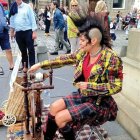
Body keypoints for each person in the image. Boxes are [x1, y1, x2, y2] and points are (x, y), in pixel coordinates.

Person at [28, 15, 123, 140]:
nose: (80, 44)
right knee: (54, 107)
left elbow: (116, 86)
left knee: (60, 118)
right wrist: (40, 64)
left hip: (100, 103)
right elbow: (65, 59)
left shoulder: (111, 58)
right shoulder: (84, 52)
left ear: (93, 41)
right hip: (83, 95)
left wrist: (89, 86)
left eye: (83, 41)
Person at [10, 0, 37, 69]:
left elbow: (32, 19)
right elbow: (12, 20)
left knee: (31, 49)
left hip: (28, 31)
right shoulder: (13, 7)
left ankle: (32, 65)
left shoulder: (27, 7)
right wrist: (12, 31)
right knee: (23, 50)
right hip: (18, 32)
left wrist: (34, 31)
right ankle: (25, 66)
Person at [0, 3, 14, 70]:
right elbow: (2, 21)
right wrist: (9, 28)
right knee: (8, 49)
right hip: (3, 30)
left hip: (2, 30)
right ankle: (11, 65)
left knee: (7, 48)